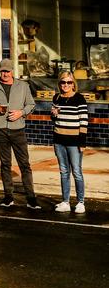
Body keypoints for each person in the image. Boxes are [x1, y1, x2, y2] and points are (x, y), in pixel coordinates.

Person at [0, 58, 40, 209]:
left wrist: (21, 113)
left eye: (8, 71)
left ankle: (31, 197)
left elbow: (31, 105)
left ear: (12, 71)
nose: (5, 74)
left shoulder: (23, 86)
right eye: (3, 71)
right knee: (5, 164)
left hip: (18, 129)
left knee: (24, 164)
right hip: (0, 129)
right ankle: (8, 196)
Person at [51, 70, 88, 213]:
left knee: (77, 171)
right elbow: (54, 119)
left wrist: (82, 142)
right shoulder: (56, 98)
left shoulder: (79, 98)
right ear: (59, 83)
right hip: (59, 140)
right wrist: (53, 115)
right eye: (63, 82)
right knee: (64, 172)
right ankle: (65, 202)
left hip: (74, 142)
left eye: (69, 82)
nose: (65, 85)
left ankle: (80, 202)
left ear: (73, 84)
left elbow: (84, 121)